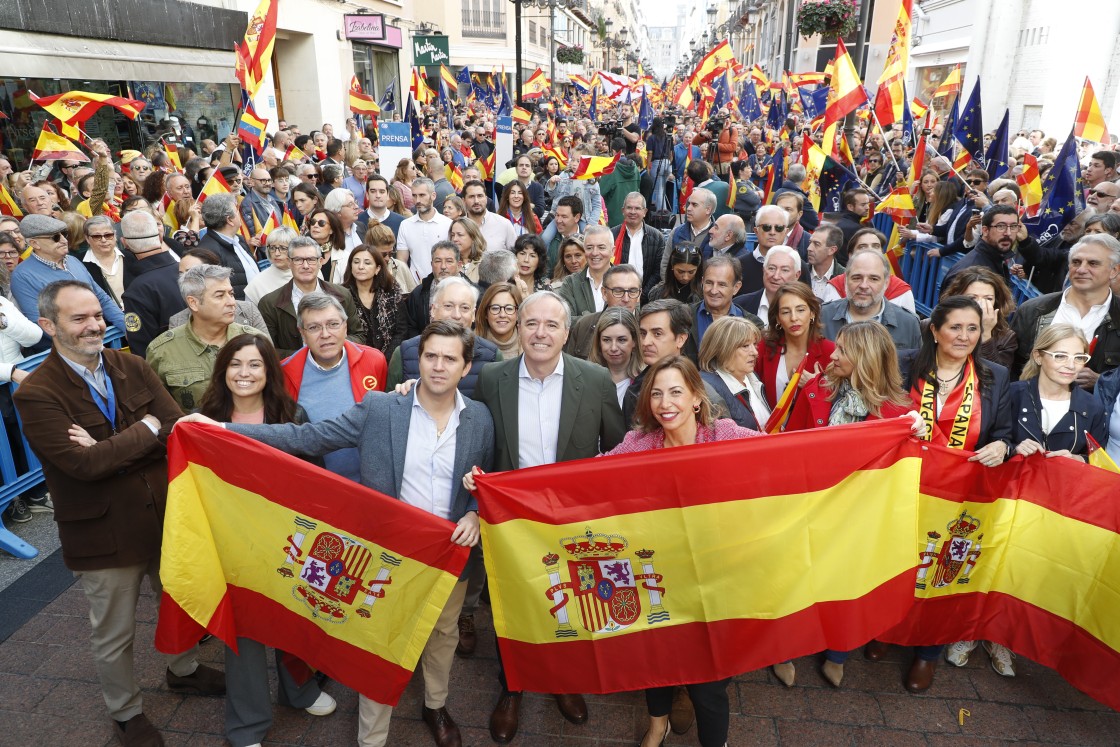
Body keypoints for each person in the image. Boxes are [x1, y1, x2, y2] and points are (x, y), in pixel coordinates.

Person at [187, 320, 492, 747]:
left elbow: (488, 478)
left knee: (442, 637)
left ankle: (435, 705)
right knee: (378, 642)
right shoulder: (381, 408)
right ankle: (372, 737)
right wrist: (223, 430)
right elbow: (307, 436)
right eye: (430, 356)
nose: (438, 366)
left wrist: (476, 512)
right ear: (417, 360)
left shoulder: (479, 418)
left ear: (466, 366)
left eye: (449, 358)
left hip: (447, 555)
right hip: (389, 556)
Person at [15, 280, 224, 747]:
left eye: (97, 315)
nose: (95, 326)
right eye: (79, 318)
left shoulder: (130, 364)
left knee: (179, 600)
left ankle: (184, 669)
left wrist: (120, 446)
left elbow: (175, 428)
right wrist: (146, 429)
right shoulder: (38, 393)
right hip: (104, 533)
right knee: (115, 631)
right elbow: (84, 465)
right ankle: (126, 713)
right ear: (48, 326)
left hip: (163, 515)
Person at [466, 290, 625, 744]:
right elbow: (479, 443)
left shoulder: (594, 381)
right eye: (531, 323)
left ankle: (563, 680)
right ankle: (512, 687)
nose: (540, 333)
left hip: (571, 521)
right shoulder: (494, 377)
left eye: (551, 325)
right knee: (509, 608)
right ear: (517, 327)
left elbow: (615, 452)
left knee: (570, 601)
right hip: (510, 524)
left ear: (566, 332)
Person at [603, 355, 761, 747]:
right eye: (656, 394)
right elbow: (585, 478)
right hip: (657, 577)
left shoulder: (724, 435)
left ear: (695, 398)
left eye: (676, 392)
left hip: (715, 580)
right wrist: (497, 485)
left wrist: (895, 432)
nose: (665, 403)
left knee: (709, 685)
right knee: (656, 663)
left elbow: (788, 453)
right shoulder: (638, 444)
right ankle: (658, 725)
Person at [194, 334, 338, 745]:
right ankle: (247, 725)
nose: (244, 373)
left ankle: (299, 690)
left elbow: (317, 480)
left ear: (269, 371)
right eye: (235, 364)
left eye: (255, 364)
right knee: (245, 634)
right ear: (222, 371)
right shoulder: (203, 419)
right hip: (231, 544)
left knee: (295, 619)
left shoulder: (293, 414)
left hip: (289, 541)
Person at [872, 295, 1013, 693]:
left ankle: (927, 653)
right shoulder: (902, 364)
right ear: (934, 330)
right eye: (955, 327)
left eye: (973, 328)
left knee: (943, 573)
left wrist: (1003, 446)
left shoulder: (995, 376)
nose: (964, 336)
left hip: (960, 495)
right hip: (904, 487)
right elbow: (877, 413)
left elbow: (1002, 431)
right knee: (895, 563)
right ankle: (885, 630)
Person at [147, 265, 268, 411]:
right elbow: (159, 410)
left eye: (231, 293)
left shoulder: (256, 341)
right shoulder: (162, 351)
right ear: (193, 303)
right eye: (220, 296)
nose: (231, 302)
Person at [1011, 234, 1120, 386]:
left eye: (1093, 263)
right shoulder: (1032, 310)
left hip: (1096, 408)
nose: (1081, 269)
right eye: (1076, 262)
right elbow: (1011, 368)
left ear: (1114, 271)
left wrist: (1102, 382)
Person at [12, 214, 127, 344]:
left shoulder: (73, 261)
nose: (64, 240)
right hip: (67, 350)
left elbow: (101, 298)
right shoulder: (22, 275)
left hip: (95, 339)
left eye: (64, 234)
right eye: (55, 237)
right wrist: (82, 340)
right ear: (34, 243)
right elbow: (40, 322)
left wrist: (126, 327)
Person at [389, 276, 501, 394]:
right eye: (448, 306)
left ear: (473, 314)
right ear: (433, 310)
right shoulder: (404, 353)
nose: (456, 315)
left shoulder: (492, 357)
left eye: (464, 308)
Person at [257, 236, 366, 358]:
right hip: (294, 372)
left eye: (311, 259)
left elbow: (358, 336)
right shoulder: (269, 303)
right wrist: (309, 356)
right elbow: (267, 349)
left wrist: (332, 347)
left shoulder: (342, 295)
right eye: (298, 260)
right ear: (289, 263)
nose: (305, 266)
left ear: (320, 262)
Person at [754, 283, 835, 427]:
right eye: (785, 312)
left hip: (809, 438)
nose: (793, 318)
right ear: (777, 318)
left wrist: (818, 385)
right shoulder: (763, 348)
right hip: (770, 437)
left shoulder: (831, 352)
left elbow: (840, 400)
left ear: (812, 313)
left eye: (800, 310)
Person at [821, 250, 922, 350]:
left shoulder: (908, 324)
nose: (864, 285)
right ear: (846, 280)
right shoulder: (822, 316)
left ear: (886, 283)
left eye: (873, 279)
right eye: (857, 278)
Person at [937, 267, 1017, 370]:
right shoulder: (932, 325)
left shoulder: (1007, 338)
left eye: (988, 299)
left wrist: (986, 334)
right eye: (972, 298)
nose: (980, 304)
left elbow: (996, 378)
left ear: (996, 302)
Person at [698, 316, 769, 430]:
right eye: (745, 346)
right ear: (723, 349)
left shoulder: (752, 376)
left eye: (755, 344)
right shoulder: (707, 389)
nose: (755, 352)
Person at [343, 244, 406, 357]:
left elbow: (401, 331)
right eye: (356, 262)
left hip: (389, 359)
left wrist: (385, 358)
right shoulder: (341, 295)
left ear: (377, 269)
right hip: (354, 357)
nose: (361, 267)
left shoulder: (391, 292)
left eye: (367, 263)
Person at [195, 193, 261, 300]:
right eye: (236, 211)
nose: (239, 214)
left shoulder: (239, 239)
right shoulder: (208, 251)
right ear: (229, 220)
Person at [611, 192, 666, 300]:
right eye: (629, 208)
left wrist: (642, 294)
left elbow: (658, 271)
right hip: (617, 296)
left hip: (646, 297)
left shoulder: (657, 237)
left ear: (644, 212)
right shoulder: (612, 235)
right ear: (623, 210)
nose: (632, 212)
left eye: (637, 208)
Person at [397, 178, 453, 281]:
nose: (418, 200)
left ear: (433, 196)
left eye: (422, 195)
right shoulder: (405, 225)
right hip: (415, 288)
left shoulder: (448, 224)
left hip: (443, 285)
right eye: (414, 195)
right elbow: (401, 261)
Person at [588, 306, 642, 407]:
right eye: (607, 340)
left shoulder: (646, 382)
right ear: (598, 342)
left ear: (634, 341)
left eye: (621, 340)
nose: (613, 348)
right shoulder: (586, 380)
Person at [557, 224, 613, 319]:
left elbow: (630, 318)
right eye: (589, 248)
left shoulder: (625, 281)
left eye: (601, 247)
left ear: (612, 251)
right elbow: (566, 322)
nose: (595, 253)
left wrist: (585, 318)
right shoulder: (571, 283)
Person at [244, 226, 295, 306]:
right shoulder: (256, 284)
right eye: (272, 248)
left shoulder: (309, 273)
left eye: (283, 248)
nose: (277, 253)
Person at [463, 180, 516, 253]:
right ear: (464, 201)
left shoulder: (504, 224)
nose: (476, 201)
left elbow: (515, 257)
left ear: (486, 199)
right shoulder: (457, 227)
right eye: (471, 197)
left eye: (480, 196)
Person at [475, 282, 523, 359]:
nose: (502, 315)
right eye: (495, 308)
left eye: (509, 308)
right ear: (485, 313)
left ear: (518, 313)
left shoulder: (529, 346)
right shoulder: (471, 345)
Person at [806, 223, 845, 301]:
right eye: (810, 242)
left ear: (832, 250)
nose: (809, 248)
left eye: (816, 244)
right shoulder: (800, 272)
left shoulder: (845, 278)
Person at [834, 189, 872, 264]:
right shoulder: (855, 228)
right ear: (850, 207)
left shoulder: (841, 221)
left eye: (868, 204)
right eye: (863, 205)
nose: (867, 207)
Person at [449, 217, 486, 284]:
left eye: (460, 235)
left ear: (473, 237)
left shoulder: (485, 263)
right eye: (452, 235)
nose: (454, 239)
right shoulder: (446, 262)